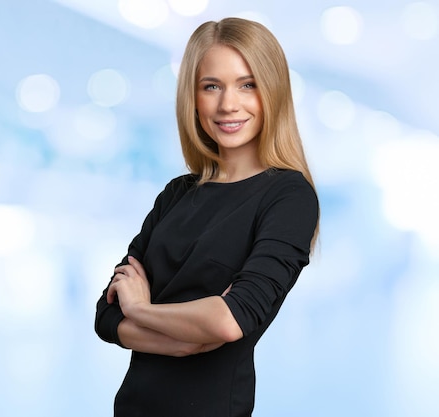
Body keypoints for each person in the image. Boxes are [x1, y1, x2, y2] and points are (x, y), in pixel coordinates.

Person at [94, 17, 319, 417]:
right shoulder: (177, 193)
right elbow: (107, 312)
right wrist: (182, 338)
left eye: (247, 84)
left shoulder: (289, 196)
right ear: (193, 98)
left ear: (274, 92)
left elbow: (230, 321)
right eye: (211, 86)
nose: (227, 104)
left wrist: (143, 311)